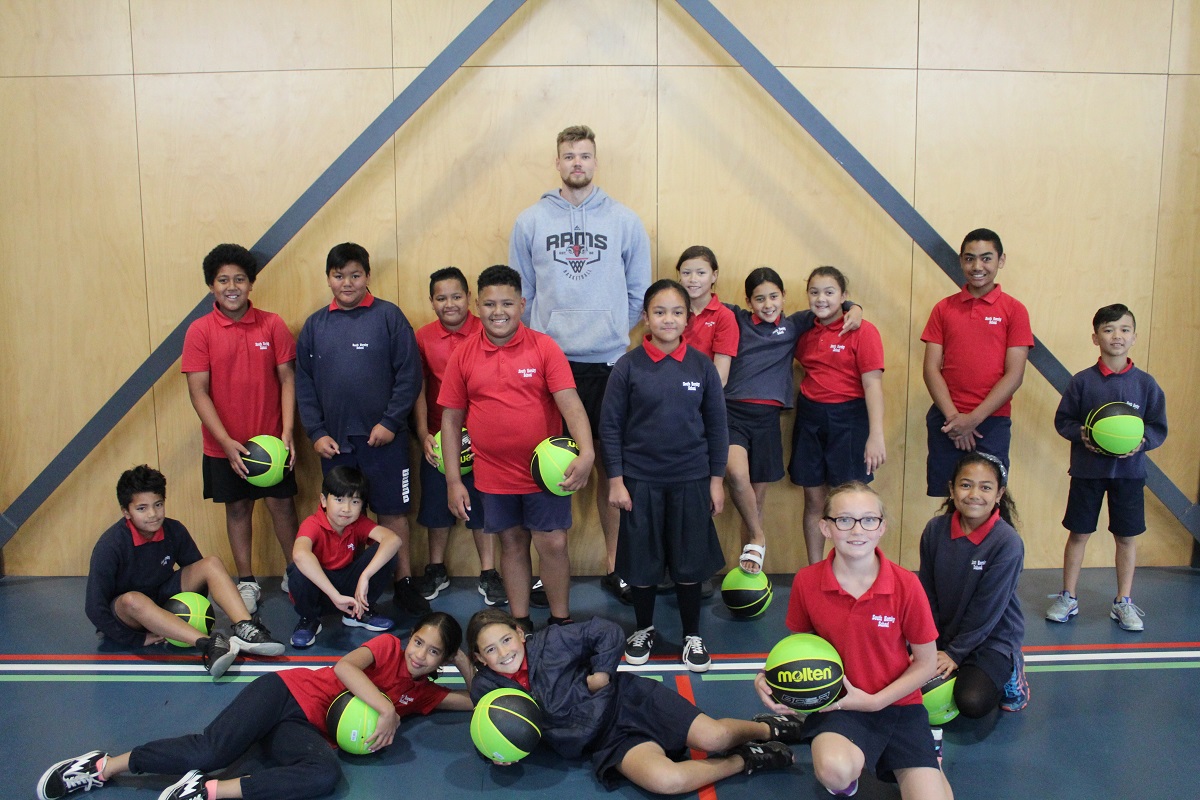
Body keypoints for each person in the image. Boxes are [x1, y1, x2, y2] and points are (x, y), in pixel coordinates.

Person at [37, 611, 474, 800]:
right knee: (211, 751)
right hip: (283, 694)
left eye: (434, 652)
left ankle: (206, 791)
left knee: (324, 774)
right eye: (419, 641)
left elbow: (474, 700)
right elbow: (344, 668)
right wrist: (386, 708)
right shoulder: (387, 648)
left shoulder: (425, 694)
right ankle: (101, 767)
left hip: (304, 732)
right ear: (409, 637)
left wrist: (463, 659)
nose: (419, 654)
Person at [509, 124, 651, 603]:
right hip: (549, 365)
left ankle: (617, 566)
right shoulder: (530, 221)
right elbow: (520, 295)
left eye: (585, 156)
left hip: (609, 363)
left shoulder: (625, 221)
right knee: (547, 465)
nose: (577, 164)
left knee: (613, 467)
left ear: (596, 161)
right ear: (557, 162)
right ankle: (542, 570)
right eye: (569, 156)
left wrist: (611, 331)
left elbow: (639, 294)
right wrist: (546, 343)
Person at [754, 482, 952, 799]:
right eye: (844, 520)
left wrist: (875, 701)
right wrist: (772, 679)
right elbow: (801, 651)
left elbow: (927, 663)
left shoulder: (906, 585)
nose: (856, 529)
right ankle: (851, 779)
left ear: (881, 527)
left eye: (868, 519)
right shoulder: (807, 581)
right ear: (826, 527)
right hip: (839, 706)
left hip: (898, 704)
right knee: (834, 770)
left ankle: (931, 756)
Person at [468, 609, 796, 793]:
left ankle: (767, 729)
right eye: (491, 650)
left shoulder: (553, 640)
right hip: (606, 741)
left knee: (715, 737)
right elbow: (491, 730)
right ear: (479, 658)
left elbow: (607, 632)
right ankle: (748, 759)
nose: (504, 652)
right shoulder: (486, 689)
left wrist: (603, 673)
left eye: (506, 639)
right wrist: (500, 753)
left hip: (629, 700)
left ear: (519, 633)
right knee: (668, 781)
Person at [438, 265, 595, 633]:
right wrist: (452, 481)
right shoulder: (463, 355)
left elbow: (570, 404)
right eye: (490, 303)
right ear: (478, 305)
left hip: (547, 473)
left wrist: (586, 453)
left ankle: (560, 621)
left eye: (507, 303)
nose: (498, 311)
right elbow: (450, 421)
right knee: (511, 542)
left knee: (553, 543)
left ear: (522, 304)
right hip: (493, 472)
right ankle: (520, 621)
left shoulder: (544, 347)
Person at [599, 280, 728, 672]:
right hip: (641, 482)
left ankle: (692, 635)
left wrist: (716, 479)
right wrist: (616, 480)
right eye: (659, 312)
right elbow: (610, 428)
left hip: (690, 479)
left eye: (676, 312)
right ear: (645, 318)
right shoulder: (628, 366)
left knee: (689, 565)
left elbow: (717, 426)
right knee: (642, 564)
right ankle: (643, 629)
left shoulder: (702, 366)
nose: (668, 319)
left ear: (688, 318)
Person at [295, 242, 429, 618]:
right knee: (341, 517)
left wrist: (390, 422)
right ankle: (342, 586)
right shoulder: (315, 325)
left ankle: (402, 584)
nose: (347, 283)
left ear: (368, 276)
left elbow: (409, 374)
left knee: (392, 513)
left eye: (355, 275)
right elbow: (303, 384)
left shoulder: (389, 317)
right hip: (335, 444)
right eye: (339, 276)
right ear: (328, 279)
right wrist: (316, 432)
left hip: (386, 441)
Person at [182, 243, 300, 613]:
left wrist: (287, 434)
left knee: (283, 506)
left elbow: (287, 380)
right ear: (211, 286)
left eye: (239, 279)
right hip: (226, 447)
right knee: (237, 510)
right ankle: (247, 581)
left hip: (272, 446)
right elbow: (198, 392)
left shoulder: (273, 324)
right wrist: (226, 442)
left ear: (250, 284)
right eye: (223, 280)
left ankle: (295, 572)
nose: (231, 286)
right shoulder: (200, 331)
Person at [86, 465, 284, 681]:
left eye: (158, 505)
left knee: (211, 564)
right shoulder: (110, 545)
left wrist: (188, 613)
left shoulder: (174, 530)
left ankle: (246, 627)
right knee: (133, 600)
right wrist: (136, 639)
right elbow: (94, 607)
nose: (153, 514)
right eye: (142, 508)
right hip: (132, 613)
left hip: (163, 600)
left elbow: (201, 580)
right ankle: (209, 645)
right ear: (126, 512)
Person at [724, 267, 860, 574]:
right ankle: (758, 536)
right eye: (759, 299)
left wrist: (854, 307)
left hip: (768, 419)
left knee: (756, 501)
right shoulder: (736, 319)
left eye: (774, 296)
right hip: (732, 413)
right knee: (736, 474)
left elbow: (833, 307)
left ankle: (750, 567)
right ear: (748, 301)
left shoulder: (795, 324)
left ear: (784, 297)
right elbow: (703, 302)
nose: (768, 304)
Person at [1048, 303, 1168, 631]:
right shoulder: (1082, 382)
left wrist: (1143, 442)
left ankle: (1123, 602)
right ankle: (1068, 596)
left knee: (1126, 537)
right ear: (1095, 337)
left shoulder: (1146, 384)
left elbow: (1157, 427)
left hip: (1130, 476)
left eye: (1124, 329)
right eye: (1109, 329)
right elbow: (1063, 421)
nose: (1117, 335)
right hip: (1087, 472)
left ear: (1134, 337)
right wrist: (1082, 434)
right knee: (1079, 533)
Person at [412, 266, 506, 607]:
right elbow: (418, 390)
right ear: (431, 302)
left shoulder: (489, 329)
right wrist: (423, 434)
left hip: (482, 439)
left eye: (456, 296)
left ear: (470, 299)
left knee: (482, 507)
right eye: (441, 298)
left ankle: (488, 571)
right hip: (440, 438)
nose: (449, 304)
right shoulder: (422, 337)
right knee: (437, 506)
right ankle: (436, 567)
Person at [921, 228, 1033, 497]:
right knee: (949, 500)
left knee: (988, 501)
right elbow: (930, 369)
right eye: (970, 258)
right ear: (961, 261)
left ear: (1000, 260)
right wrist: (954, 419)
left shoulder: (1014, 310)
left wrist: (972, 420)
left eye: (986, 258)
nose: (977, 266)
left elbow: (1014, 375)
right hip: (947, 421)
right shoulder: (943, 308)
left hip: (991, 423)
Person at [918, 452, 1028, 717]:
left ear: (999, 494)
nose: (974, 494)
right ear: (952, 489)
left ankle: (1012, 668)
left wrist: (954, 654)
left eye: (985, 487)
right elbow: (926, 592)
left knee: (972, 702)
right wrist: (928, 645)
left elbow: (986, 609)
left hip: (990, 637)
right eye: (965, 485)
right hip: (945, 632)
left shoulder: (1007, 542)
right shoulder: (935, 530)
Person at [789, 266, 885, 565]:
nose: (821, 299)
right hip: (810, 418)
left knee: (849, 503)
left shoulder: (863, 330)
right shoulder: (802, 329)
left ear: (843, 296)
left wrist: (876, 435)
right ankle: (815, 569)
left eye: (830, 292)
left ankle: (853, 567)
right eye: (814, 292)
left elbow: (873, 385)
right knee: (814, 500)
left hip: (851, 420)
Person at [287, 466, 401, 648]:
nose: (346, 509)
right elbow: (300, 555)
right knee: (297, 569)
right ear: (324, 500)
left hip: (351, 590)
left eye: (355, 502)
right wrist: (335, 596)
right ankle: (309, 619)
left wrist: (366, 576)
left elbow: (393, 539)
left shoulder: (358, 523)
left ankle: (359, 612)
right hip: (322, 592)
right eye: (339, 500)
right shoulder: (313, 524)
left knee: (387, 552)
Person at [675, 245, 739, 386]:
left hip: (702, 393)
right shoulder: (673, 311)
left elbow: (720, 378)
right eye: (686, 273)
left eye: (701, 273)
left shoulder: (724, 316)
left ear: (714, 276)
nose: (693, 279)